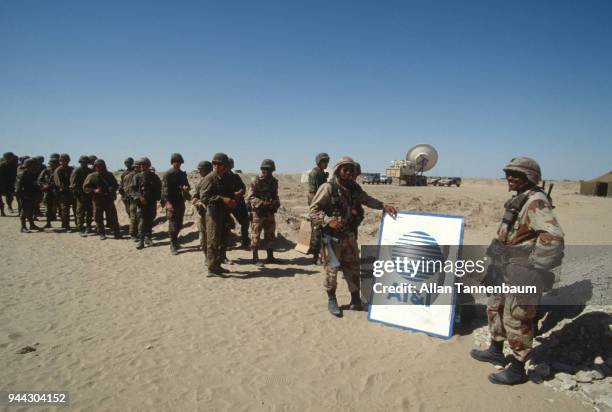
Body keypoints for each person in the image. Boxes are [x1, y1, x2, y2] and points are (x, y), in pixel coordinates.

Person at [470, 157, 564, 385]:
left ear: (529, 177)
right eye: (508, 173)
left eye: (516, 174)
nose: (510, 178)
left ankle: (518, 369)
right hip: (504, 268)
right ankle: (495, 349)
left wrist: (533, 266)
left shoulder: (536, 202)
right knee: (495, 308)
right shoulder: (521, 198)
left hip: (520, 272)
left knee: (517, 317)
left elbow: (554, 238)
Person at [309, 156, 397, 317]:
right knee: (332, 271)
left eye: (351, 170)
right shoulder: (328, 187)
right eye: (345, 169)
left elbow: (367, 199)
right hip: (332, 238)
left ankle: (355, 300)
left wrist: (383, 205)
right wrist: (329, 221)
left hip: (349, 236)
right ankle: (332, 299)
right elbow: (313, 210)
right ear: (338, 171)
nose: (349, 173)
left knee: (353, 268)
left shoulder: (354, 188)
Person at [200, 153, 236, 277]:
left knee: (222, 240)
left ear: (225, 166)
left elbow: (230, 193)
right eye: (214, 163)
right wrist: (222, 199)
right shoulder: (210, 178)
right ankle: (211, 268)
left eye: (219, 164)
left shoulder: (226, 178)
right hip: (213, 213)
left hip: (224, 213)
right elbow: (204, 197)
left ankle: (217, 265)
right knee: (213, 240)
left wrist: (232, 201)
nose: (216, 166)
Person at [246, 159, 281, 267]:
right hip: (258, 212)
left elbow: (275, 196)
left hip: (269, 212)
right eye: (264, 169)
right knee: (256, 235)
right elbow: (250, 197)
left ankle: (270, 257)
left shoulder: (274, 181)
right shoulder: (255, 180)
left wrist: (274, 203)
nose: (266, 171)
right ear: (261, 169)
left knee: (270, 234)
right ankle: (255, 258)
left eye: (269, 169)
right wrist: (261, 203)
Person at [83, 159, 121, 239]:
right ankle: (101, 233)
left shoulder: (109, 175)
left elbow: (116, 185)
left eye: (101, 165)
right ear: (95, 166)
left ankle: (117, 233)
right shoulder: (91, 176)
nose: (99, 167)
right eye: (97, 166)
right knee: (98, 217)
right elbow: (85, 187)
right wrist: (94, 190)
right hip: (97, 199)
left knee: (113, 216)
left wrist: (112, 188)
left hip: (108, 199)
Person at [161, 153, 191, 255]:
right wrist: (167, 203)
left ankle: (175, 240)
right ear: (172, 162)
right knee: (173, 223)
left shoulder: (182, 174)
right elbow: (164, 190)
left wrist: (186, 188)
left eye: (179, 162)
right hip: (171, 201)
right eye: (175, 161)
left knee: (179, 223)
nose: (177, 164)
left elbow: (187, 185)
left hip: (180, 201)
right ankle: (172, 244)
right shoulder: (168, 174)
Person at [130, 157, 162, 249]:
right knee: (142, 222)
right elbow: (133, 190)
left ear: (148, 165)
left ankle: (148, 238)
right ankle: (141, 241)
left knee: (150, 220)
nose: (141, 166)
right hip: (141, 204)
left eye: (143, 164)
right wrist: (140, 197)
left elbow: (159, 188)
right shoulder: (137, 177)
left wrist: (157, 197)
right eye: (140, 165)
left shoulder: (154, 177)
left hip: (151, 203)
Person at [307, 153, 330, 264]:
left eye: (327, 162)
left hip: (323, 205)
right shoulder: (314, 173)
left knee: (324, 232)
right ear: (319, 162)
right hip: (317, 206)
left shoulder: (321, 173)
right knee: (316, 232)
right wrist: (314, 208)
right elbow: (312, 193)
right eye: (324, 162)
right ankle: (315, 256)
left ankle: (322, 255)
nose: (326, 164)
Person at [192, 160, 214, 260]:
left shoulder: (216, 181)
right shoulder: (199, 183)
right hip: (202, 213)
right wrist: (199, 203)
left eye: (201, 170)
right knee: (203, 236)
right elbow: (194, 198)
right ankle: (207, 256)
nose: (200, 172)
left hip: (214, 213)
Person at [227, 158, 250, 249]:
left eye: (231, 164)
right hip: (227, 204)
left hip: (238, 203)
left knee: (245, 221)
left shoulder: (235, 176)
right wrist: (233, 195)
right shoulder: (222, 177)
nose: (230, 166)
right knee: (225, 223)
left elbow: (243, 187)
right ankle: (226, 243)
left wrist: (239, 193)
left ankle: (245, 241)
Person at [15, 158, 42, 232]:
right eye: (34, 165)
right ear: (29, 165)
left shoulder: (31, 173)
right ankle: (23, 227)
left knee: (31, 210)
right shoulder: (22, 174)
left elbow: (33, 183)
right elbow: (18, 187)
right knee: (24, 211)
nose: (35, 167)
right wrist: (21, 195)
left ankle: (32, 225)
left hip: (31, 194)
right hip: (25, 195)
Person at [70, 155, 94, 236]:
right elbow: (73, 184)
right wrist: (77, 193)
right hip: (80, 194)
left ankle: (88, 226)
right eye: (82, 162)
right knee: (80, 212)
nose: (84, 163)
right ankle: (80, 228)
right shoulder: (76, 170)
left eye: (85, 162)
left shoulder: (90, 171)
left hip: (89, 194)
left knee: (89, 212)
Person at [119, 157, 139, 240]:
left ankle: (136, 231)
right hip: (130, 198)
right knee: (133, 216)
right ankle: (133, 233)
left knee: (135, 216)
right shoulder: (126, 175)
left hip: (134, 198)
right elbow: (123, 187)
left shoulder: (139, 174)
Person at [53, 153, 74, 231]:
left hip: (70, 192)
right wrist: (64, 188)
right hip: (62, 193)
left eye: (66, 160)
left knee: (68, 209)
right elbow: (58, 183)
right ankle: (66, 225)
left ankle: (66, 223)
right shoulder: (58, 170)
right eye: (63, 160)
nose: (65, 162)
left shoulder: (71, 169)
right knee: (65, 209)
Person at [38, 157, 60, 228]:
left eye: (55, 164)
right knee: (48, 208)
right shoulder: (45, 171)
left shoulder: (59, 171)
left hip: (58, 191)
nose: (52, 165)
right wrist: (44, 185)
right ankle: (48, 222)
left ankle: (64, 223)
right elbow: (39, 180)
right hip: (48, 191)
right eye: (51, 164)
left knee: (61, 207)